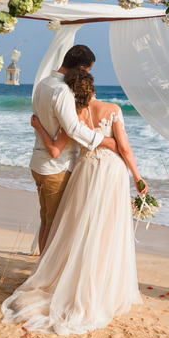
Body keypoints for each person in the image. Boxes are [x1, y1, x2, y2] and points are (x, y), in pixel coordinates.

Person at [2, 67, 147, 335]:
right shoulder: (113, 108)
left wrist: (39, 128)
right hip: (111, 173)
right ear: (92, 88)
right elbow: (124, 148)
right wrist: (138, 177)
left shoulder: (75, 114)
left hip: (84, 171)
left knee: (80, 228)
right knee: (106, 230)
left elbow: (58, 146)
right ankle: (100, 288)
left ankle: (71, 279)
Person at [28, 45, 116, 253]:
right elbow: (74, 128)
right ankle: (45, 273)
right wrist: (106, 141)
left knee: (46, 222)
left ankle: (42, 269)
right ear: (81, 68)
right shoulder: (62, 91)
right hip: (56, 167)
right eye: (88, 71)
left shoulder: (42, 84)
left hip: (39, 163)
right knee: (55, 225)